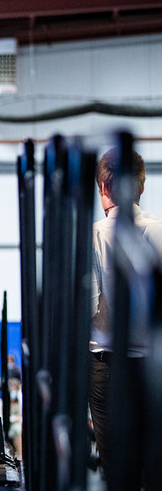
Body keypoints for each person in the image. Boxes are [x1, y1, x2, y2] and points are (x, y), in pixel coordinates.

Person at [90, 147, 162, 487]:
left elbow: (90, 310)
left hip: (108, 368)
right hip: (155, 368)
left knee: (118, 472)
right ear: (142, 187)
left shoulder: (95, 235)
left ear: (104, 188)